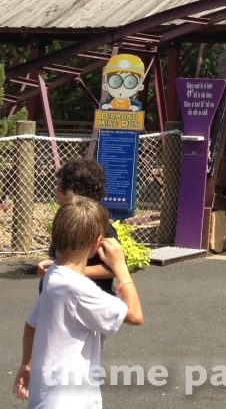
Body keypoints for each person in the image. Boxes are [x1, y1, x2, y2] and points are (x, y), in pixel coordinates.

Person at [13, 196, 143, 407]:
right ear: (96, 243)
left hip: (47, 397)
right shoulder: (79, 289)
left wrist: (26, 364)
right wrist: (121, 268)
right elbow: (135, 315)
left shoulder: (53, 275)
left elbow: (31, 323)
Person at [37, 159, 116, 295]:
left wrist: (69, 271)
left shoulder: (101, 227)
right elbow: (60, 256)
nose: (55, 191)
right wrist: (50, 265)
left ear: (69, 192)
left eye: (58, 185)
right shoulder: (65, 220)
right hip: (60, 295)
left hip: (90, 301)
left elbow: (115, 267)